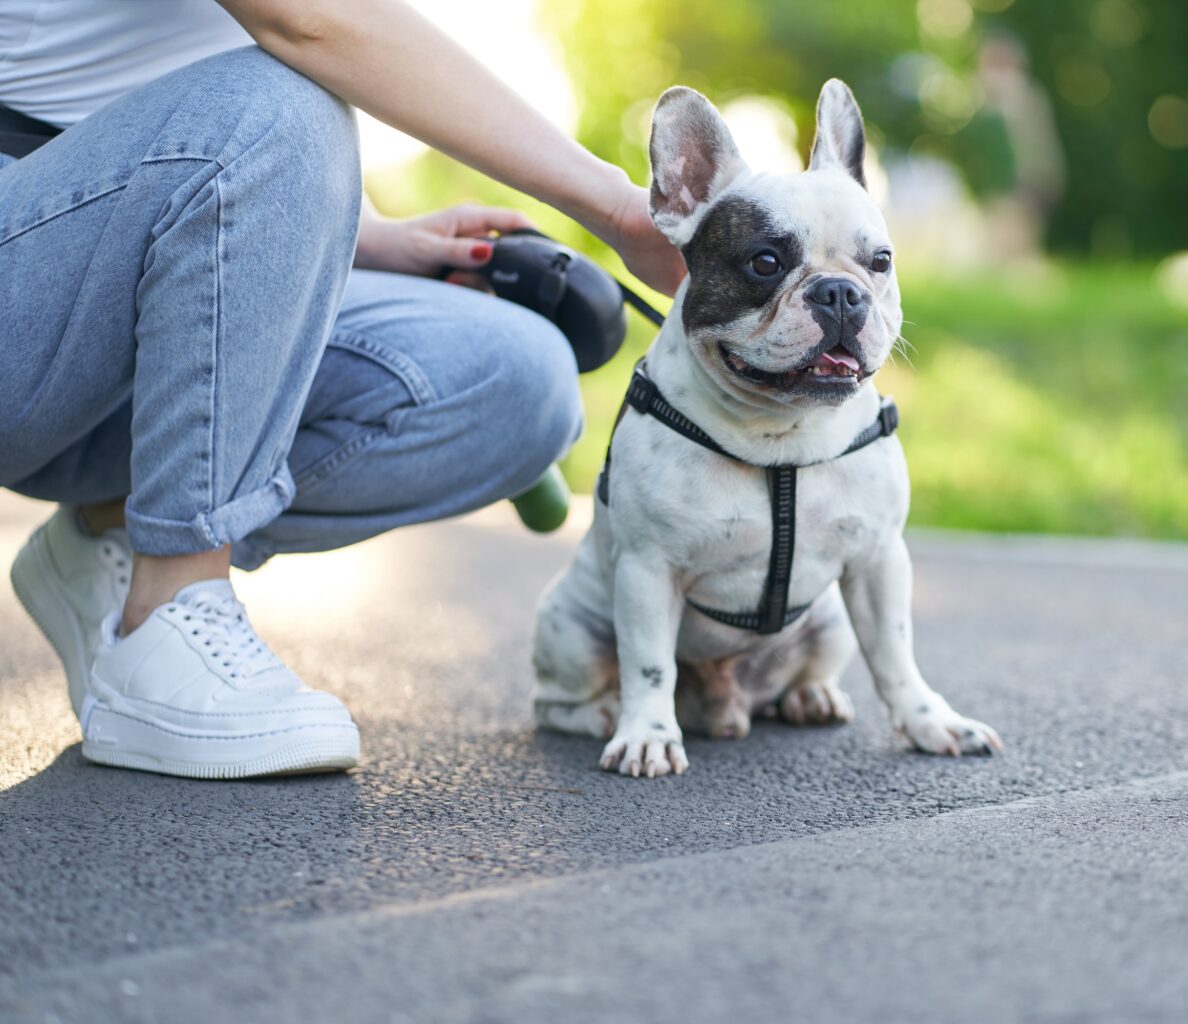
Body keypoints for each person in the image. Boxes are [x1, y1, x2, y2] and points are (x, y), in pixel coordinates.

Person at [0, 0, 686, 779]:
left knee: (519, 377)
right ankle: (170, 610)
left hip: (108, 235)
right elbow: (312, 21)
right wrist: (624, 209)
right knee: (282, 104)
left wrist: (365, 236)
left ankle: (110, 527)